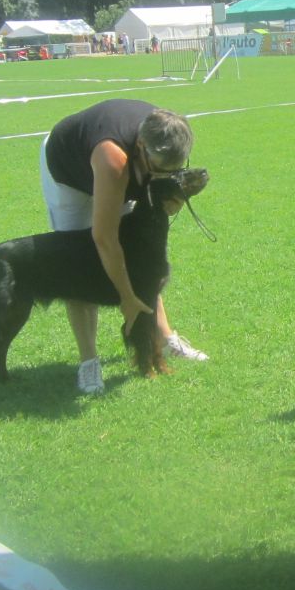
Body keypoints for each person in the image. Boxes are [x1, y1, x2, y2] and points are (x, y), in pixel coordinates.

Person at [39, 98, 208, 394]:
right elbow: (105, 238)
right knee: (77, 268)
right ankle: (89, 362)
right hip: (69, 174)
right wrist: (127, 298)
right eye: (158, 169)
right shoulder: (112, 158)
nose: (161, 177)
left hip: (122, 164)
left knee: (142, 259)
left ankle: (165, 339)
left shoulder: (167, 134)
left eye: (172, 170)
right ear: (142, 147)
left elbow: (144, 255)